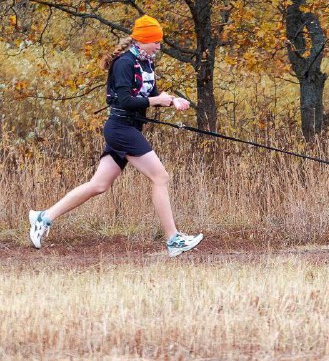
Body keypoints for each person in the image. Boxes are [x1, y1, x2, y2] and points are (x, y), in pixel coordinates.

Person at [28, 15, 204, 257]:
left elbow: (150, 93)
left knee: (99, 185)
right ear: (142, 41)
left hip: (128, 128)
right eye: (155, 42)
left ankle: (43, 217)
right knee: (160, 177)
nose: (159, 47)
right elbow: (125, 101)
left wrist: (172, 100)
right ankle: (173, 239)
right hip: (121, 129)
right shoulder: (123, 63)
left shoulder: (146, 63)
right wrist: (156, 101)